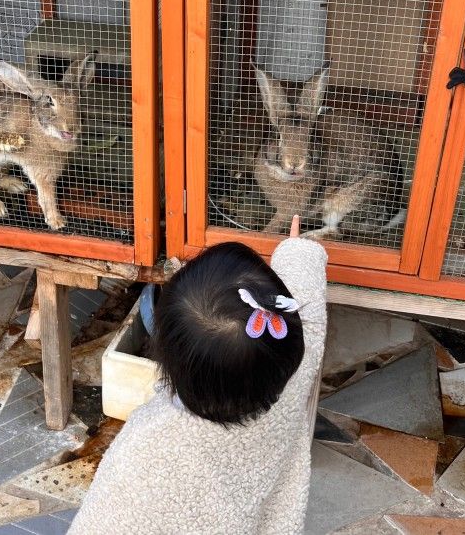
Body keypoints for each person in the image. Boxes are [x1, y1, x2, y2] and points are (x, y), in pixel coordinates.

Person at [68, 216, 328, 534]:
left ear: (167, 359)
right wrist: (298, 251)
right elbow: (308, 303)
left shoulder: (145, 455)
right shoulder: (290, 371)